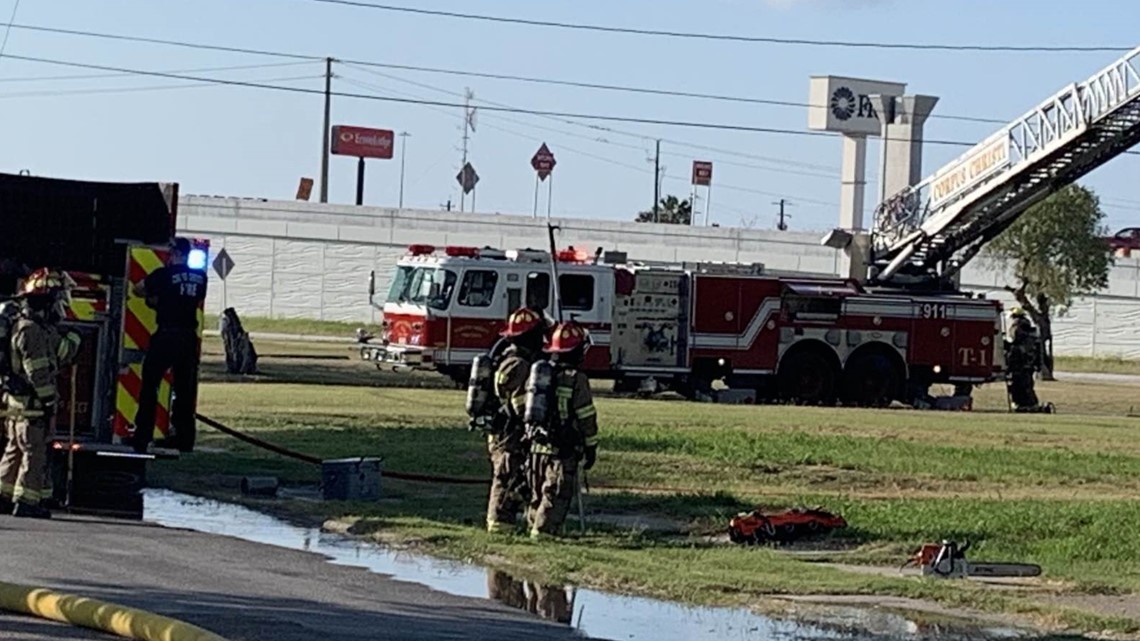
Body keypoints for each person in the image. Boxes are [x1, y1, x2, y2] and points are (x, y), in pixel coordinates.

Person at [0, 268, 80, 518]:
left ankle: (3, 496)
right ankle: (26, 503)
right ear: (45, 301)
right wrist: (49, 401)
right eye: (57, 299)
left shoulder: (32, 327)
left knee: (14, 451)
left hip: (18, 406)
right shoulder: (31, 331)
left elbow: (60, 352)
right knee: (33, 454)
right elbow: (38, 373)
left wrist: (72, 342)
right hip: (31, 406)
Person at [127, 238, 207, 454]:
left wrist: (157, 300)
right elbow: (194, 298)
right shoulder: (201, 278)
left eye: (171, 251)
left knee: (150, 386)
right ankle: (184, 439)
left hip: (166, 335)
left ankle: (142, 437)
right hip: (188, 338)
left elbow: (138, 290)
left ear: (176, 253)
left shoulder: (164, 275)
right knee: (184, 391)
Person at [526, 321, 598, 539]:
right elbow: (586, 416)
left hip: (536, 446)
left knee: (538, 492)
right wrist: (591, 446)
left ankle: (533, 528)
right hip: (562, 448)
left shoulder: (540, 373)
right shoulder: (577, 379)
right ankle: (544, 534)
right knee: (556, 493)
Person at [486, 307, 547, 534]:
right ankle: (499, 525)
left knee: (511, 476)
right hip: (510, 433)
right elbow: (520, 405)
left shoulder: (509, 358)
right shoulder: (519, 365)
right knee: (506, 478)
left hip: (503, 431)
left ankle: (504, 522)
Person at [1005, 308, 1043, 412]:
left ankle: (1025, 405)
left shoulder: (1018, 327)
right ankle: (1029, 404)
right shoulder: (1031, 331)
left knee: (1020, 385)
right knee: (1026, 385)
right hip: (1028, 364)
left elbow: (1014, 339)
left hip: (1020, 364)